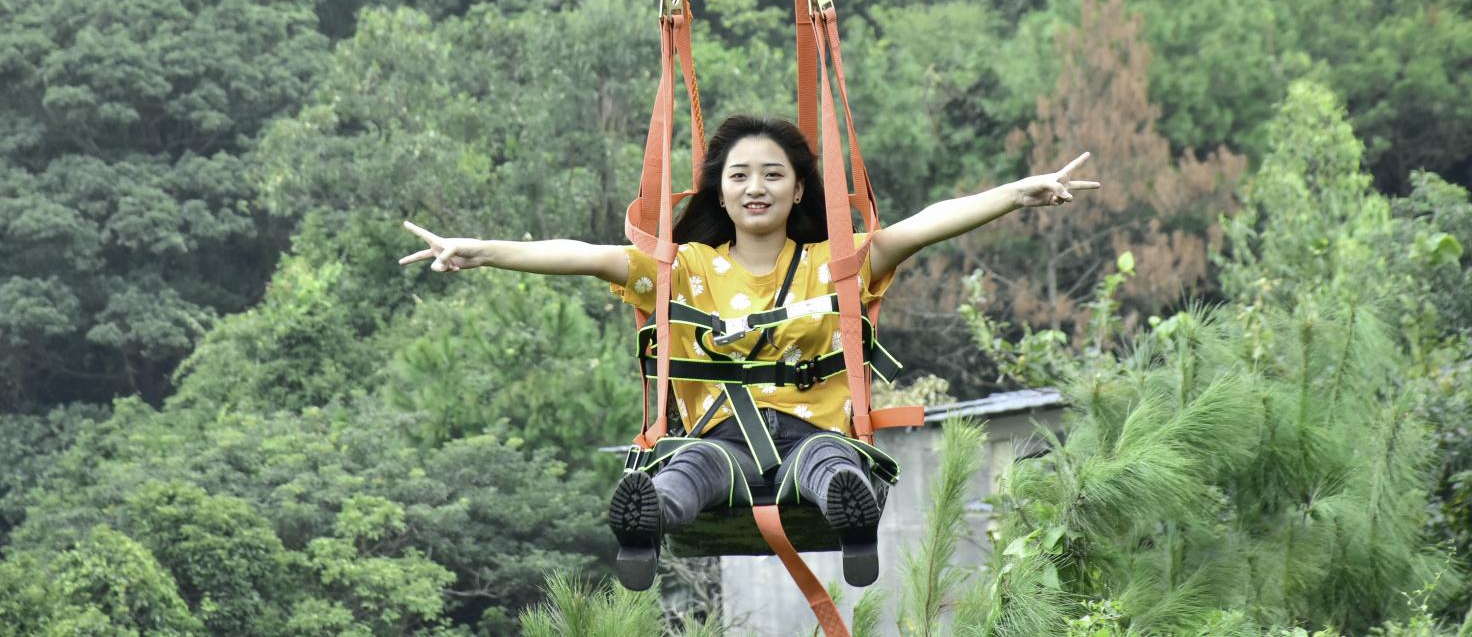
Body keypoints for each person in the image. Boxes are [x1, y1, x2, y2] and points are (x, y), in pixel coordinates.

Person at [400, 114, 1098, 591]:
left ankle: (851, 513)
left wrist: (1015, 194)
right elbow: (587, 256)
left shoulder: (837, 263)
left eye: (771, 175)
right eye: (739, 175)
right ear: (719, 190)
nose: (755, 188)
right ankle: (646, 519)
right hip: (720, 439)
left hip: (814, 435)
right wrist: (481, 251)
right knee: (688, 473)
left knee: (827, 465)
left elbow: (922, 227)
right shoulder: (684, 268)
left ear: (799, 189)